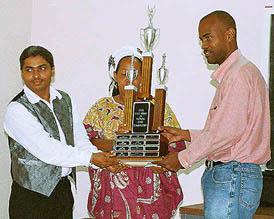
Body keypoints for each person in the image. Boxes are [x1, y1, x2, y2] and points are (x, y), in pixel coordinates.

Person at [154, 10, 271, 219]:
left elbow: (226, 133)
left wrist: (182, 159)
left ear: (229, 34)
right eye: (201, 40)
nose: (204, 46)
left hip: (232, 175)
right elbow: (232, 132)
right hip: (237, 175)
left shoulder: (238, 75)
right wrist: (187, 135)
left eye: (208, 37)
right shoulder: (243, 72)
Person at [3, 45, 118, 219]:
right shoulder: (16, 109)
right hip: (30, 197)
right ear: (22, 73)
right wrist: (91, 159)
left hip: (62, 192)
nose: (36, 75)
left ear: (52, 70)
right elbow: (47, 149)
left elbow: (79, 138)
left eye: (42, 68)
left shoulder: (65, 99)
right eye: (29, 70)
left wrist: (101, 159)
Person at [83, 46, 186, 218]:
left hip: (150, 189)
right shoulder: (101, 108)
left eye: (136, 75)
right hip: (114, 191)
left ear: (144, 78)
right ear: (114, 76)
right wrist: (120, 144)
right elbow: (86, 142)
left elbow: (177, 142)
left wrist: (158, 152)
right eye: (124, 74)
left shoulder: (158, 107)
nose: (129, 80)